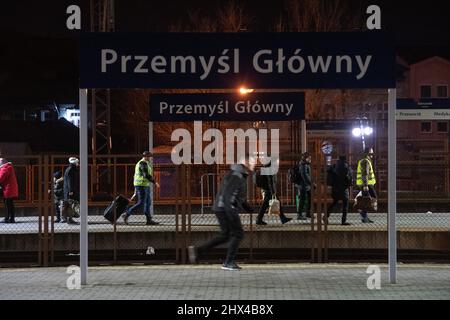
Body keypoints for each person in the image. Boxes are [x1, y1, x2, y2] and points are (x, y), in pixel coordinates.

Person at [188, 159, 255, 271]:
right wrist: (231, 213)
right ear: (245, 164)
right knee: (238, 234)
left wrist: (249, 208)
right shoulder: (237, 175)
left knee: (226, 234)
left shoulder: (238, 174)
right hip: (226, 208)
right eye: (252, 162)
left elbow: (236, 196)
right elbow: (228, 195)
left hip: (221, 208)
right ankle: (228, 262)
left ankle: (199, 251)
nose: (254, 164)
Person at [122, 151, 160, 225]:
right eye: (149, 157)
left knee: (148, 203)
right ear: (146, 156)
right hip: (141, 185)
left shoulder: (146, 163)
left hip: (145, 185)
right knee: (141, 203)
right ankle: (127, 214)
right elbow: (145, 175)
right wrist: (155, 182)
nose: (150, 158)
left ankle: (149, 220)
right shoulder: (142, 163)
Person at [255, 159, 292, 225]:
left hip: (267, 189)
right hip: (269, 190)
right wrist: (273, 191)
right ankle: (258, 219)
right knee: (265, 205)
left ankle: (282, 218)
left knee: (275, 202)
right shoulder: (269, 169)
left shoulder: (265, 168)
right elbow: (270, 182)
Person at [326, 155, 353, 225]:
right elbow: (349, 178)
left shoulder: (334, 166)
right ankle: (343, 221)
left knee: (334, 202)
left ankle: (326, 215)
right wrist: (349, 184)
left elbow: (328, 173)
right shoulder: (346, 166)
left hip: (335, 188)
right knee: (345, 204)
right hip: (343, 188)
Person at [356, 147, 376, 223]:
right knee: (371, 199)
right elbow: (365, 174)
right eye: (371, 152)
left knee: (367, 200)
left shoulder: (365, 160)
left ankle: (364, 216)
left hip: (366, 184)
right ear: (368, 152)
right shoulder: (365, 161)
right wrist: (365, 185)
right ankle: (362, 212)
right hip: (367, 184)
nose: (373, 154)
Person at [61, 157, 80, 225]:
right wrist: (71, 190)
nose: (78, 163)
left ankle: (66, 218)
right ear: (74, 163)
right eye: (77, 162)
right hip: (71, 191)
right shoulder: (71, 170)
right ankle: (68, 219)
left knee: (69, 204)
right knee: (70, 205)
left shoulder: (71, 169)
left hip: (71, 190)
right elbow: (70, 181)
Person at [296, 152, 314, 220]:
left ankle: (308, 213)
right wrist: (312, 183)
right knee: (302, 200)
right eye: (309, 158)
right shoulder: (303, 165)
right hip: (303, 185)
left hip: (306, 185)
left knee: (310, 198)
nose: (310, 159)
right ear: (306, 158)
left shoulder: (306, 164)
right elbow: (305, 176)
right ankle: (299, 215)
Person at [0, 158, 19, 223]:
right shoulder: (9, 167)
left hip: (8, 189)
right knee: (10, 204)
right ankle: (12, 218)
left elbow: (1, 178)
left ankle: (7, 218)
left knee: (7, 204)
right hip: (10, 189)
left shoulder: (5, 168)